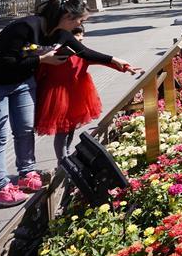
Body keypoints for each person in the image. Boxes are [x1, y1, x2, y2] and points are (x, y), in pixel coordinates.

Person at [0, 0, 142, 206]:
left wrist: (115, 60)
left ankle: (27, 173)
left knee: (24, 130)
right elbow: (4, 60)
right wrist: (41, 59)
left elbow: (84, 52)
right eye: (79, 21)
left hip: (22, 82)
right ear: (68, 17)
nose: (80, 25)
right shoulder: (24, 27)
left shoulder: (61, 32)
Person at [34, 25, 126, 162]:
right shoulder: (53, 54)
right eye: (76, 35)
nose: (81, 38)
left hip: (75, 97)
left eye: (82, 34)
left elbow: (102, 60)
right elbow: (39, 71)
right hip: (57, 97)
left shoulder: (82, 53)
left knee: (70, 129)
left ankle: (67, 154)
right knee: (62, 131)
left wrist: (125, 68)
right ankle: (62, 161)